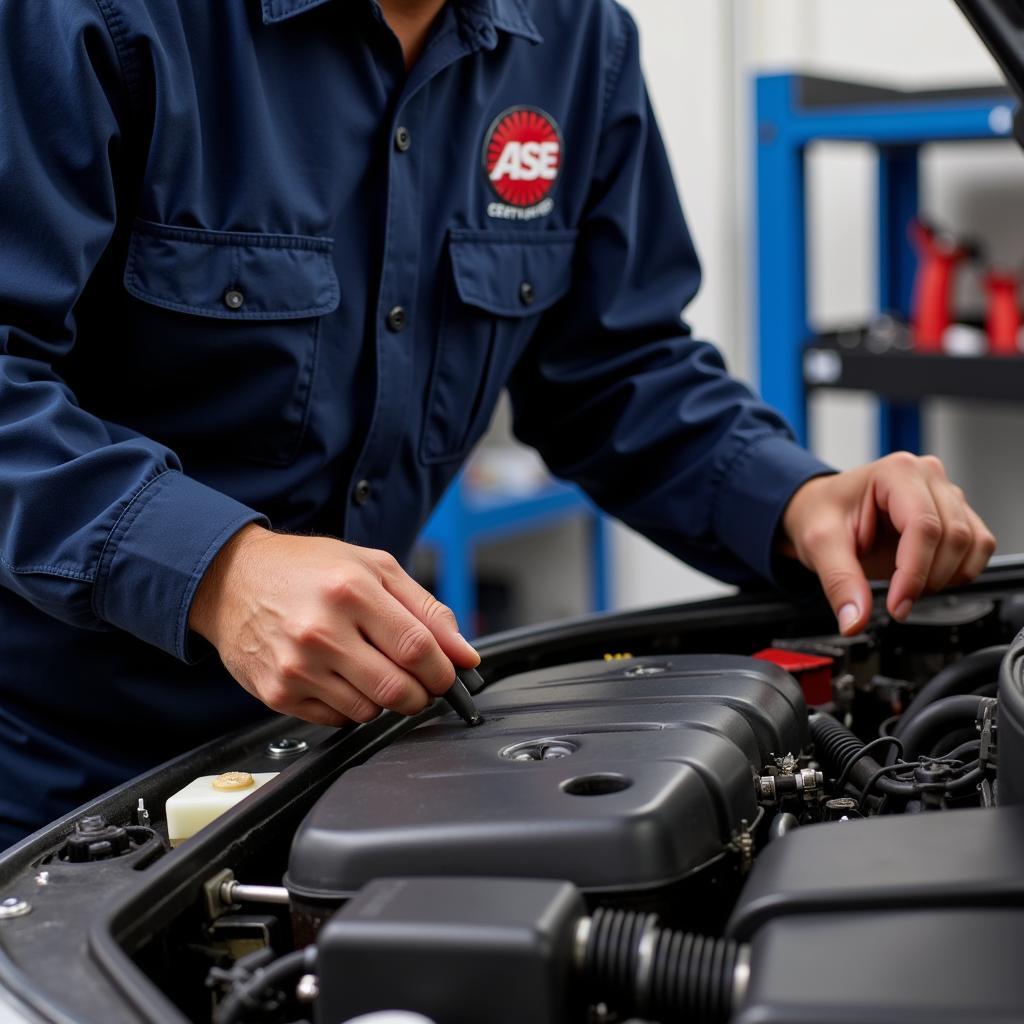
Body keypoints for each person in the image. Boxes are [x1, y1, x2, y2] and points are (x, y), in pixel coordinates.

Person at [0, 0, 995, 849]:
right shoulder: (96, 19)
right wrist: (217, 570)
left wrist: (798, 497)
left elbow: (614, 370)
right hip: (51, 767)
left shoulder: (575, 40)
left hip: (341, 739)